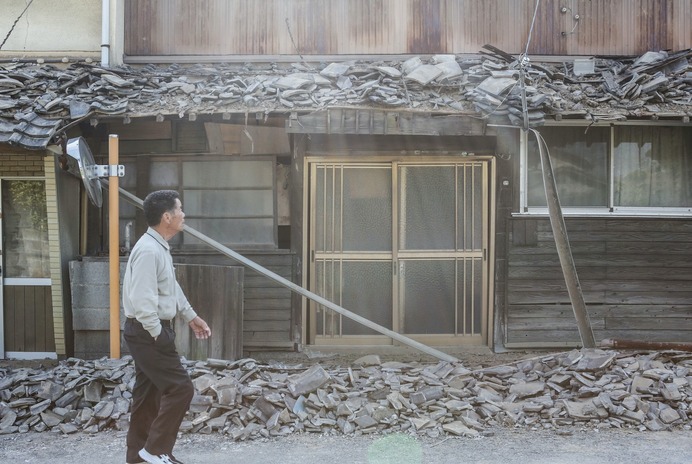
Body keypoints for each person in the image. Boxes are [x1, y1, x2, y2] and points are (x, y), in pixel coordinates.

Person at [122, 190, 211, 464]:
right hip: (147, 331)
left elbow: (169, 289)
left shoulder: (157, 245)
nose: (184, 214)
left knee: (147, 394)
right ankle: (155, 450)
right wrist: (158, 334)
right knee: (180, 388)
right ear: (167, 217)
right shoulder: (149, 250)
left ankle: (138, 457)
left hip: (148, 330)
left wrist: (190, 315)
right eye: (180, 209)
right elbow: (142, 299)